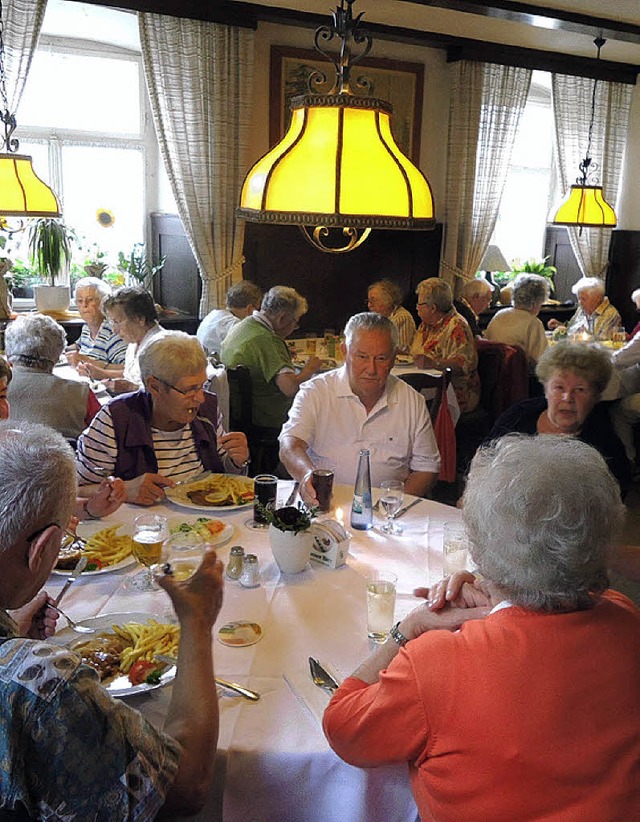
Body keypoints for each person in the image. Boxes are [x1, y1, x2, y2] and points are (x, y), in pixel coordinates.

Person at [323, 435, 640, 820]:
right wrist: (499, 588)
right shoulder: (626, 618)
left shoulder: (439, 663)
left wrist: (411, 626)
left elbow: (343, 729)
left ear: (481, 545)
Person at [0, 420, 224, 818]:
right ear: (44, 548)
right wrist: (197, 625)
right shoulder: (46, 683)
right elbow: (187, 784)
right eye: (65, 538)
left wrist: (14, 632)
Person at [279, 312, 440, 502]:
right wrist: (307, 475)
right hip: (322, 503)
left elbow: (427, 468)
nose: (371, 369)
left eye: (381, 358)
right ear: (344, 352)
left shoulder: (412, 401)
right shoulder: (316, 392)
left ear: (394, 357)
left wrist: (390, 506)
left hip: (387, 512)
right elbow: (290, 445)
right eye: (362, 356)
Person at [77, 331, 249, 505]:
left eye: (202, 386)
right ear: (154, 386)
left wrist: (237, 461)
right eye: (189, 389)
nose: (200, 398)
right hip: (141, 527)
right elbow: (76, 491)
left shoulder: (206, 410)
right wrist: (126, 490)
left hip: (205, 524)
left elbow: (224, 475)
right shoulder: (115, 420)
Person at [488, 342, 630, 495]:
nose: (568, 398)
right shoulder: (520, 414)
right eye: (559, 387)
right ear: (545, 389)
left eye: (580, 390)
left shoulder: (605, 445)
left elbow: (612, 504)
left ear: (596, 397)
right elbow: (484, 458)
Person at [0, 356, 125, 521]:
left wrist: (89, 508)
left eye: (2, 396)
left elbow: (37, 504)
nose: (2, 409)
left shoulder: (10, 447)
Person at [221, 285, 321, 430]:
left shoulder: (242, 326)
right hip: (268, 417)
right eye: (295, 321)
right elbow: (291, 388)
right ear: (282, 318)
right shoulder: (267, 339)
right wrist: (310, 369)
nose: (294, 327)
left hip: (237, 414)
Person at [5, 313, 101, 441]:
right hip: (64, 459)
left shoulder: (4, 387)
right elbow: (104, 435)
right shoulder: (80, 393)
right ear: (57, 356)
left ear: (8, 353)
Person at [410, 277, 480, 412]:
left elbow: (462, 365)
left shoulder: (457, 326)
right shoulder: (426, 324)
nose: (416, 308)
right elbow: (417, 354)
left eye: (420, 304)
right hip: (428, 387)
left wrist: (434, 363)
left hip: (453, 393)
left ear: (433, 308)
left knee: (408, 407)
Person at [78, 286, 164, 394]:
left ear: (140, 319)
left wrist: (131, 387)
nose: (114, 330)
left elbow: (167, 395)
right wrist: (102, 374)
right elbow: (132, 375)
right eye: (112, 323)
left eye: (117, 322)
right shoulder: (134, 343)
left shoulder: (161, 348)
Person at [484, 273, 549, 366]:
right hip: (518, 374)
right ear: (535, 303)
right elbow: (541, 360)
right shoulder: (533, 323)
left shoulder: (500, 314)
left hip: (492, 371)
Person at [66, 277, 127, 368]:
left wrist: (88, 361)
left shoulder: (113, 332)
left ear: (103, 303)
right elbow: (78, 346)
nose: (84, 305)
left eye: (90, 300)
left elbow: (126, 369)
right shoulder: (87, 327)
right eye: (80, 301)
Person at [197, 280, 263, 356]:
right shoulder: (236, 326)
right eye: (257, 309)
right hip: (218, 366)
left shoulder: (213, 314)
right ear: (250, 308)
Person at [548, 276, 621, 339]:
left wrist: (583, 336)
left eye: (583, 299)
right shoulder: (582, 309)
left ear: (598, 298)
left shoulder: (611, 315)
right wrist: (559, 325)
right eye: (578, 299)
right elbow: (572, 328)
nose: (580, 302)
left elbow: (604, 343)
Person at [367, 279, 416, 352]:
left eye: (374, 300)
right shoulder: (378, 319)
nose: (369, 305)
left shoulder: (402, 318)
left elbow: (401, 351)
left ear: (389, 301)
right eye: (368, 301)